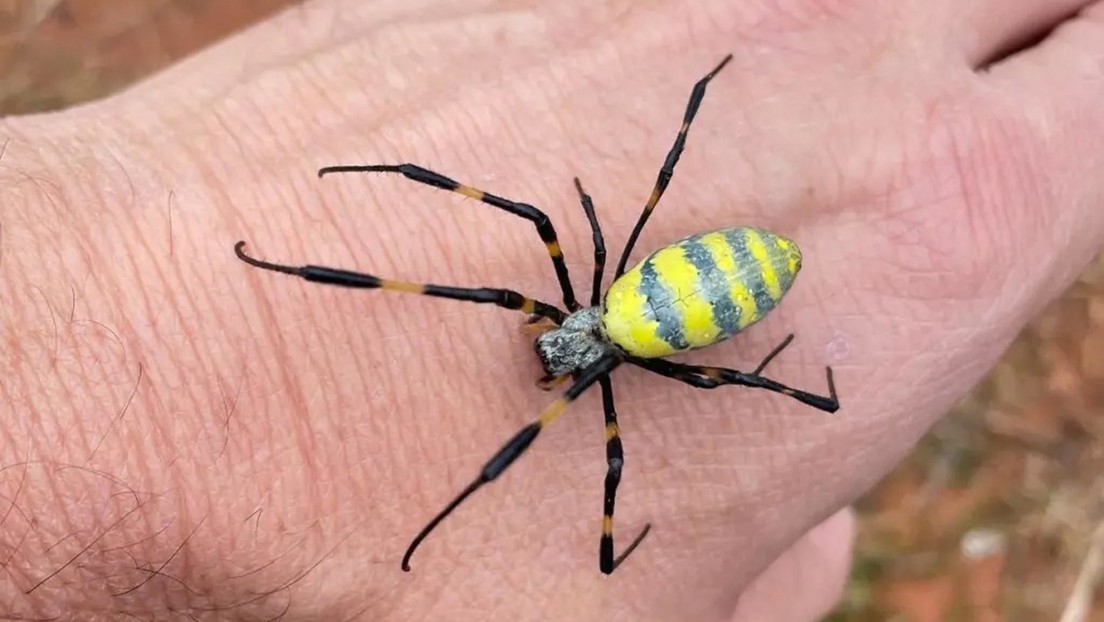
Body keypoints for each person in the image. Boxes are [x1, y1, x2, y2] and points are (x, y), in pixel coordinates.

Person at [2, 1, 1101, 620]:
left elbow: (513, 242)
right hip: (662, 295)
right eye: (562, 343)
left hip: (693, 291)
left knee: (564, 283)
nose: (552, 348)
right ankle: (303, 274)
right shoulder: (588, 323)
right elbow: (512, 236)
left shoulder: (591, 339)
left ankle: (333, 307)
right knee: (549, 254)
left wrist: (616, 524)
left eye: (562, 342)